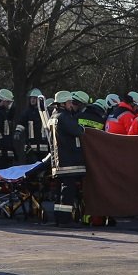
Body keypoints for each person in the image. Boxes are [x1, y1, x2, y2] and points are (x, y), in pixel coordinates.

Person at [48, 91, 85, 225]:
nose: (71, 105)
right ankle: (65, 219)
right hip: (68, 160)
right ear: (63, 104)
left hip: (58, 160)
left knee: (60, 191)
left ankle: (59, 218)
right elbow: (77, 131)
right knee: (67, 191)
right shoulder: (64, 117)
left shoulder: (53, 117)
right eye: (69, 102)